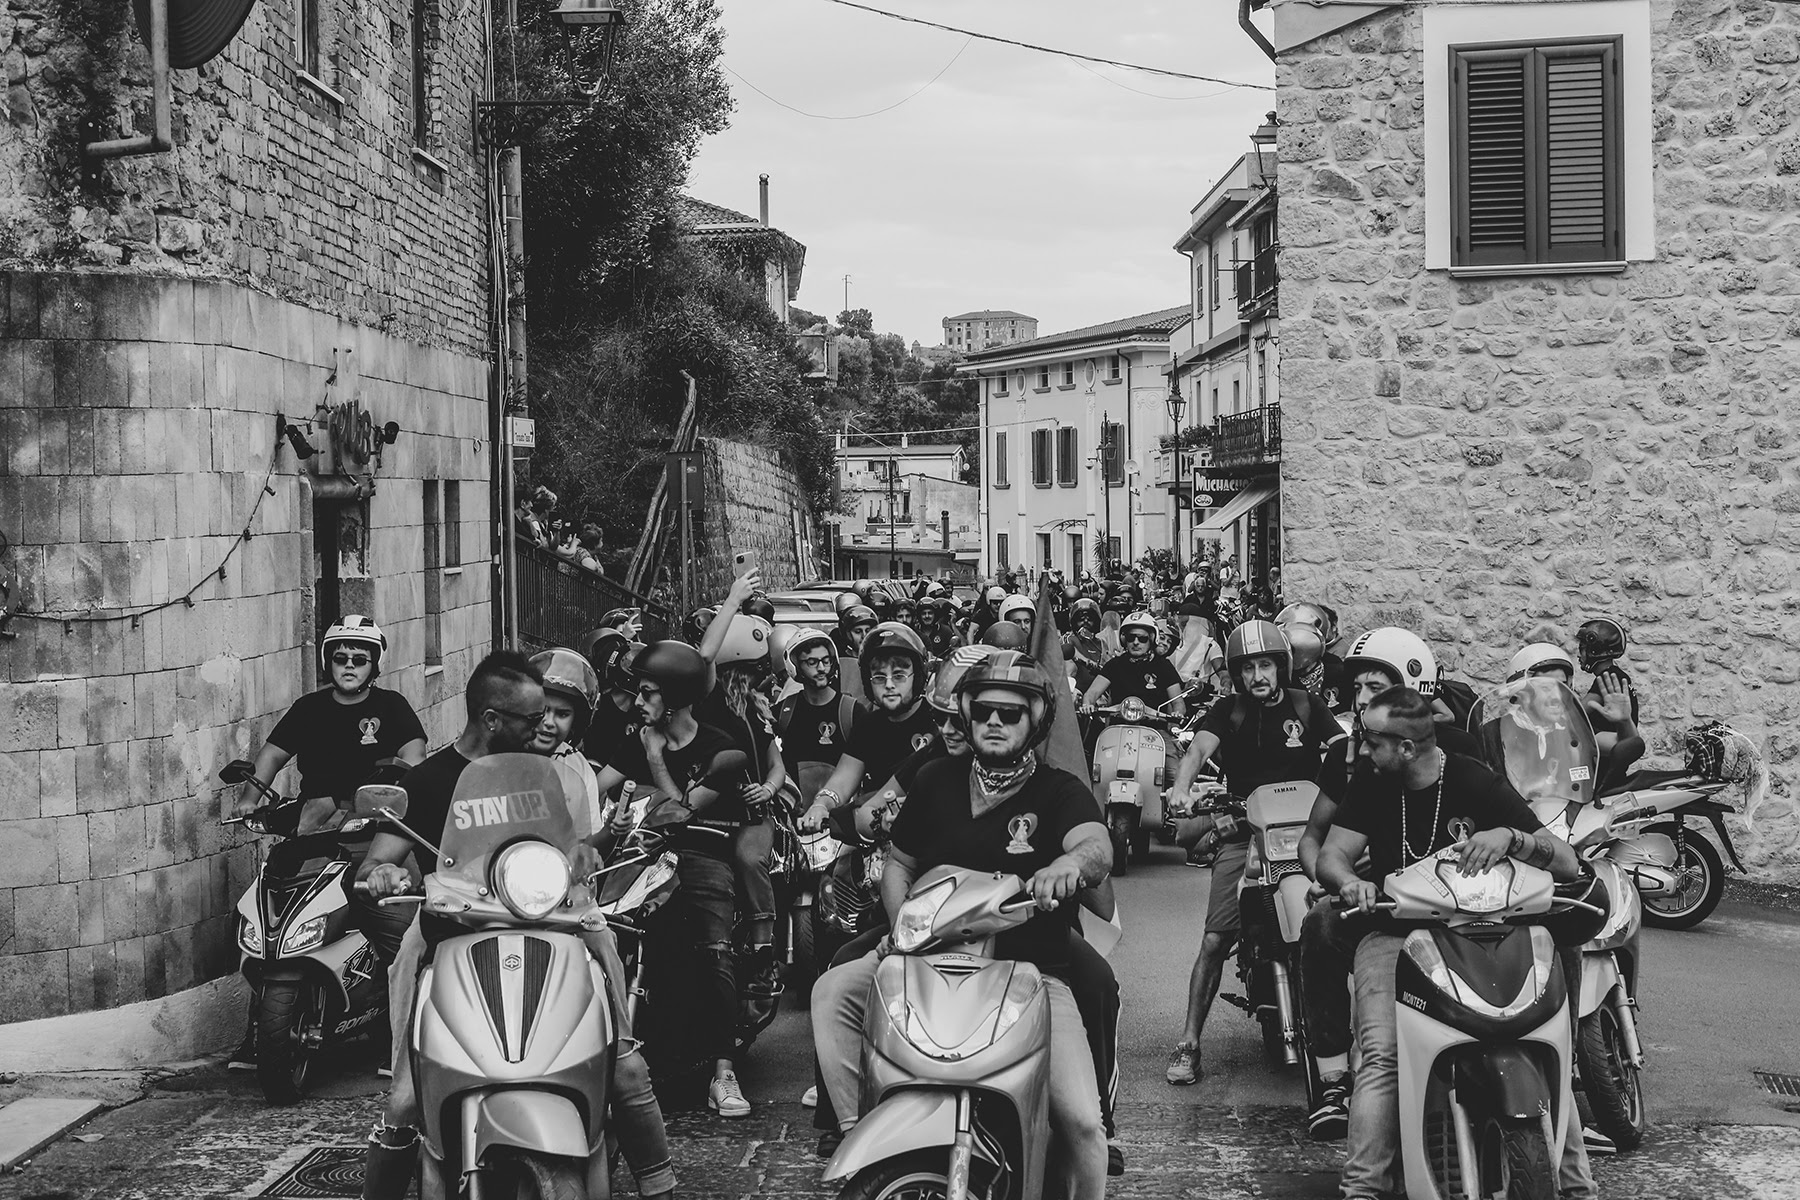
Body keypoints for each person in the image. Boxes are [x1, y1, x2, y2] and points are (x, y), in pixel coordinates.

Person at [811, 651, 1113, 1200]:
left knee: (1084, 1126)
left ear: (1035, 721)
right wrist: (903, 927)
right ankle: (862, 1133)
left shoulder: (1059, 790)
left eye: (1011, 713)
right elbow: (900, 862)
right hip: (925, 961)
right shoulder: (934, 779)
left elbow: (1096, 845)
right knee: (833, 991)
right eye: (984, 711)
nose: (995, 722)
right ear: (968, 716)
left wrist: (1070, 865)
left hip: (1030, 974)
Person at [1312, 687, 1595, 1200]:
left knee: (1534, 1041)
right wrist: (1349, 882)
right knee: (1382, 1054)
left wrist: (1512, 838)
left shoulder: (1471, 778)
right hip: (1393, 931)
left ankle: (1576, 1187)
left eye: (1369, 740)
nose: (1359, 751)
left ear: (1404, 747)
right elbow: (1332, 855)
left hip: (1484, 932)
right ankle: (1363, 1190)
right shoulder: (1372, 784)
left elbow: (1567, 862)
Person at [355, 651, 552, 1197]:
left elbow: (567, 850)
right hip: (449, 930)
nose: (544, 729)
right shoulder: (429, 778)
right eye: (531, 721)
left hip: (537, 923)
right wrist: (385, 873)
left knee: (613, 1044)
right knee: (405, 1097)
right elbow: (378, 859)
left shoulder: (541, 774)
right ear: (492, 720)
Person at [1294, 626, 1480, 1139]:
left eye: (1376, 687)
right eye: (1357, 688)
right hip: (1375, 898)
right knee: (1320, 926)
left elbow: (1505, 815)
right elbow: (1314, 838)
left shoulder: (1462, 751)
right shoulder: (1344, 757)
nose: (1362, 699)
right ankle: (1332, 1077)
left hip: (1459, 895)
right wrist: (1334, 880)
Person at [228, 616, 426, 1071]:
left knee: (397, 926)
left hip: (376, 824)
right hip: (315, 823)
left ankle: (398, 1040)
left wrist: (404, 787)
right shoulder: (308, 708)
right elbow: (275, 754)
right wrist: (248, 797)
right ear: (327, 663)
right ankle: (259, 1032)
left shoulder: (392, 706)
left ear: (374, 665)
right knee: (275, 916)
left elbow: (415, 757)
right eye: (340, 658)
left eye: (360, 658)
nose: (350, 665)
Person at [524, 647, 678, 1200]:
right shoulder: (483, 769)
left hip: (567, 918)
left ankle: (657, 1180)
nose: (547, 721)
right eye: (539, 707)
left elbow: (584, 851)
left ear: (578, 721)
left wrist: (599, 845)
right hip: (490, 922)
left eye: (562, 713)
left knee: (623, 1059)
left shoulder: (578, 775)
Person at [1163, 619, 1344, 1086]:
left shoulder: (1308, 705)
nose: (1257, 675)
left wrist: (1355, 761)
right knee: (1216, 938)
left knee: (1338, 919)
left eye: (1265, 665)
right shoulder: (1229, 711)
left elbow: (1341, 746)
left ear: (1280, 666)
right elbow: (1198, 750)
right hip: (1246, 828)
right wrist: (1183, 787)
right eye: (1247, 668)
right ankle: (1189, 1042)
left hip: (1306, 830)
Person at [591, 641, 757, 1118]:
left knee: (714, 949)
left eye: (648, 693)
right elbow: (595, 786)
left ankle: (723, 1072)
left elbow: (681, 811)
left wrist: (656, 757)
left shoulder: (723, 749)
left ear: (677, 697)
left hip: (700, 854)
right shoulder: (634, 738)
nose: (639, 702)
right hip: (640, 856)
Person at [796, 622, 937, 964]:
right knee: (837, 903)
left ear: (918, 677)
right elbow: (844, 776)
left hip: (928, 840)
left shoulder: (938, 723)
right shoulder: (870, 725)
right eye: (878, 676)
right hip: (875, 833)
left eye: (900, 674)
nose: (889, 684)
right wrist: (820, 805)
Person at [1079, 610, 1186, 720]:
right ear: (1124, 640)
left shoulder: (1164, 666)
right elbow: (1092, 692)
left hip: (1154, 729)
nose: (1136, 642)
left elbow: (1177, 702)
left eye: (1142, 639)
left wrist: (1177, 713)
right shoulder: (1114, 664)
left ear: (1152, 640)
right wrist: (1087, 704)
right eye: (1131, 638)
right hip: (1118, 727)